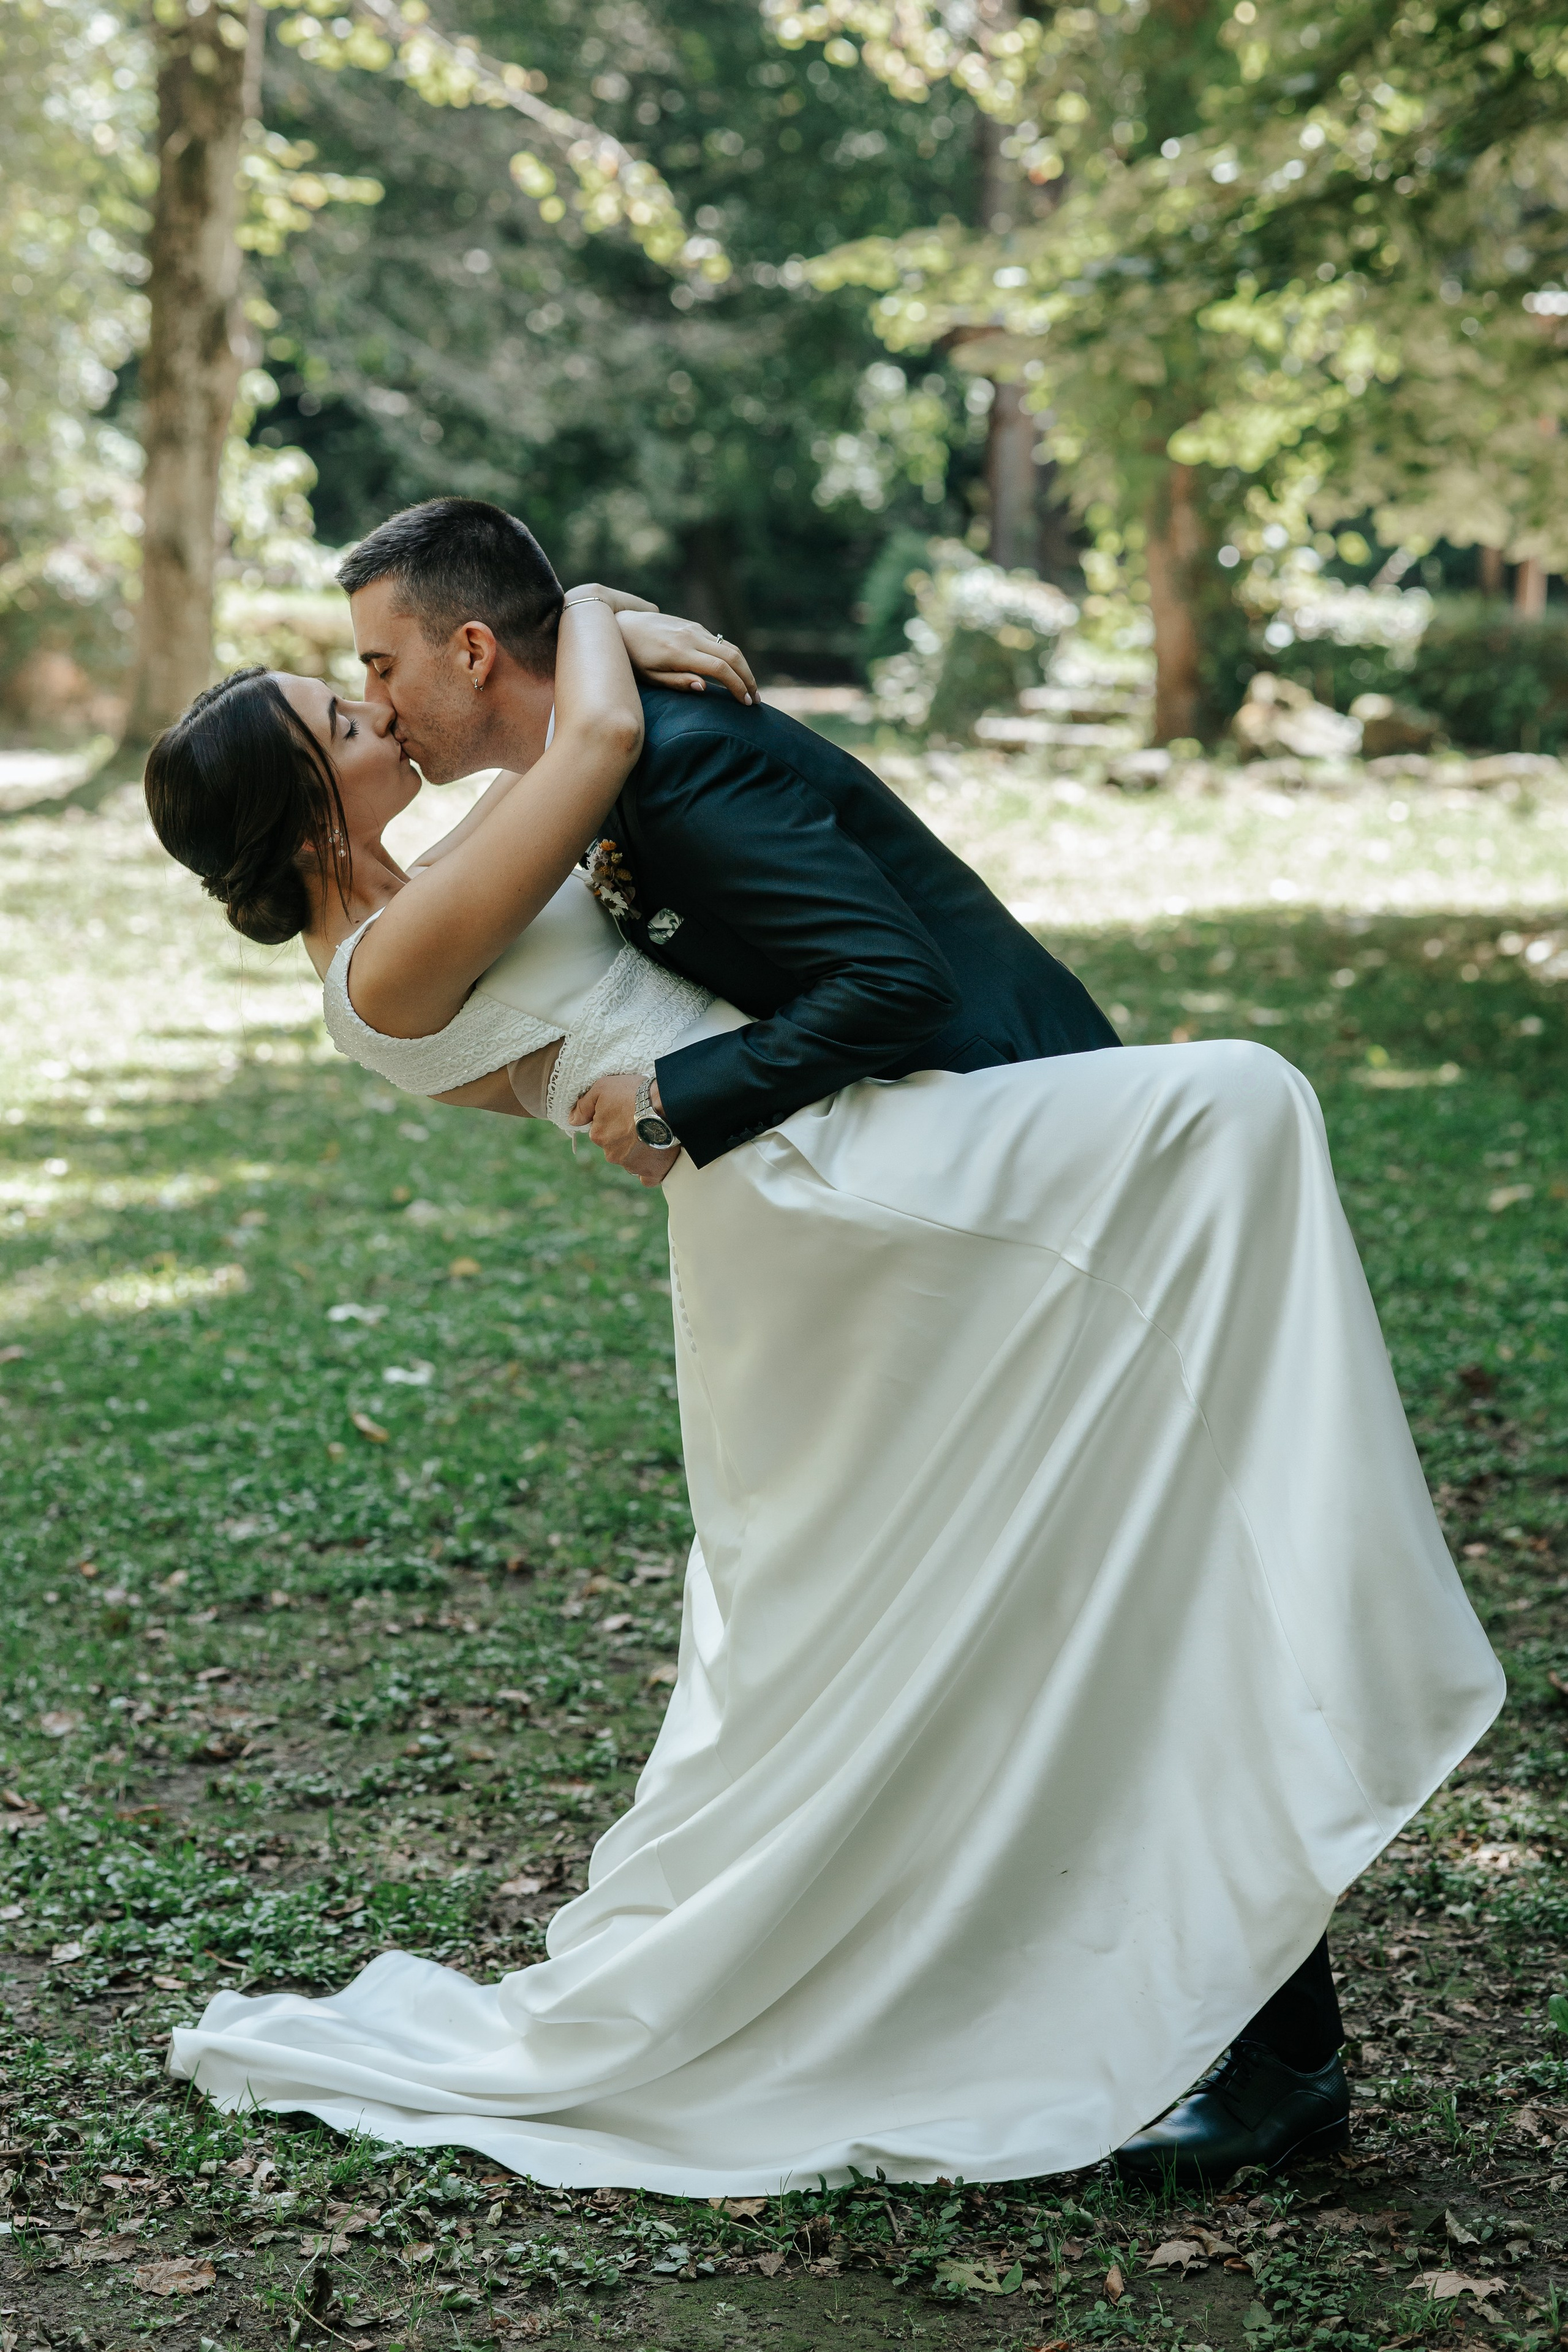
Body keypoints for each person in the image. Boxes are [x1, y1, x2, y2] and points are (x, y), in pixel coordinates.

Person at [145, 519, 1503, 2197]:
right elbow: (606, 743)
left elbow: (590, 815)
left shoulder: (430, 891)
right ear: (300, 811)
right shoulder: (393, 959)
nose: (376, 711)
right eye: (340, 716)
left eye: (370, 679)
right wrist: (610, 617)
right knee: (1223, 1116)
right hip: (816, 1196)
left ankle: (1252, 2016)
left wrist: (598, 624)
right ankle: (1191, 2004)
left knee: (1043, 1557)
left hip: (815, 1174)